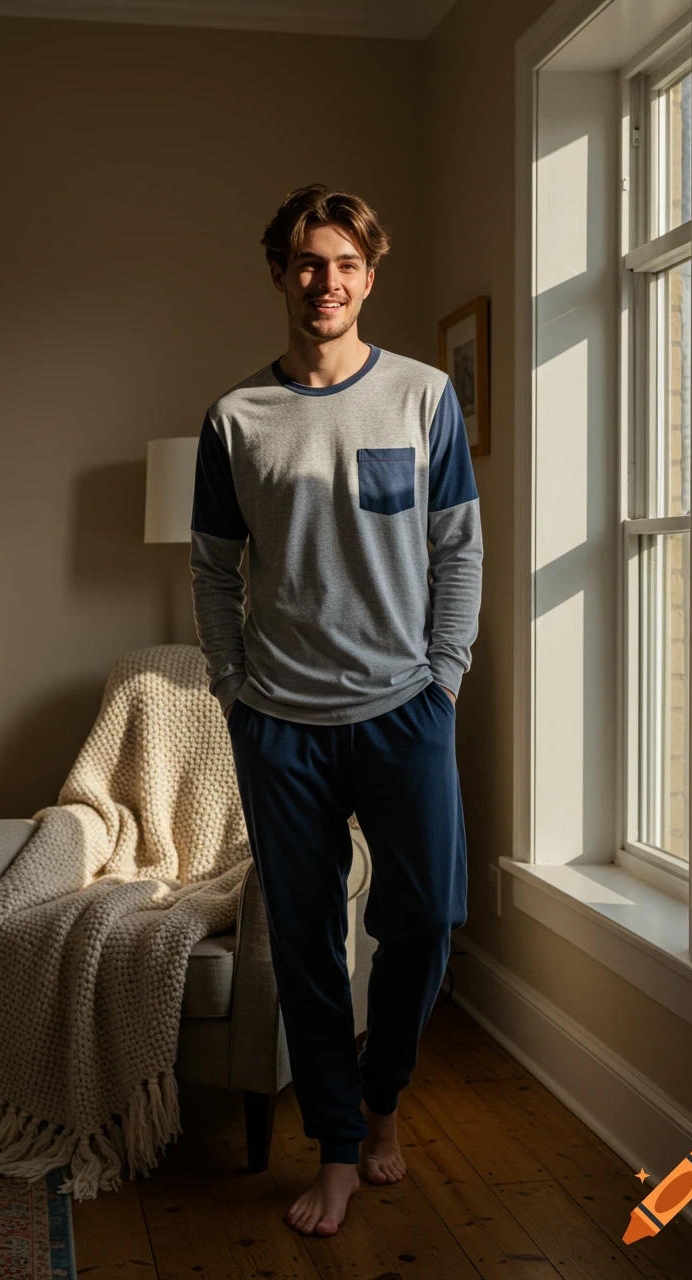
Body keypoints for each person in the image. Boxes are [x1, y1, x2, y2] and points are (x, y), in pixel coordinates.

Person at [189, 182, 482, 1237]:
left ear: (371, 272)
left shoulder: (421, 395)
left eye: (347, 263)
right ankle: (338, 1149)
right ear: (279, 272)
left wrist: (442, 676)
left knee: (424, 922)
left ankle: (382, 1100)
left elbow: (457, 548)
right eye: (308, 262)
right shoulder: (236, 417)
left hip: (405, 710)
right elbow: (212, 573)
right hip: (280, 722)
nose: (328, 281)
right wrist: (231, 691)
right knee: (304, 944)